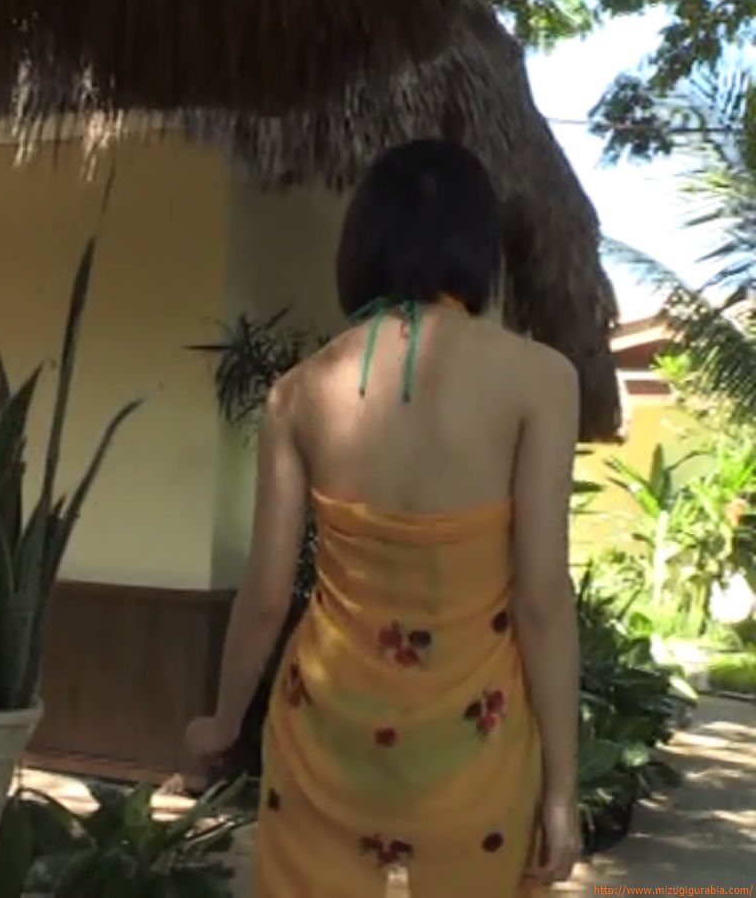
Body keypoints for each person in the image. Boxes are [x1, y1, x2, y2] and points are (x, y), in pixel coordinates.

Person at [185, 139, 581, 897]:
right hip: (474, 751)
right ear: (479, 246)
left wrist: (224, 722)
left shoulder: (298, 392)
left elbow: (265, 597)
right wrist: (562, 788)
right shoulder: (540, 381)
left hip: (325, 741)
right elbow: (541, 599)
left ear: (362, 241)